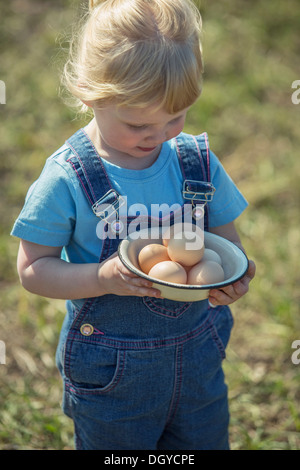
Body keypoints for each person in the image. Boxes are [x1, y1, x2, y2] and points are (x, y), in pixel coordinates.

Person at [11, 0, 256, 450]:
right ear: (89, 93)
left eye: (175, 118)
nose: (159, 135)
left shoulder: (195, 163)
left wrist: (235, 276)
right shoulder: (67, 177)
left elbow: (226, 245)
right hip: (111, 374)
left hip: (198, 361)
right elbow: (32, 270)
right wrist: (100, 277)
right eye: (138, 123)